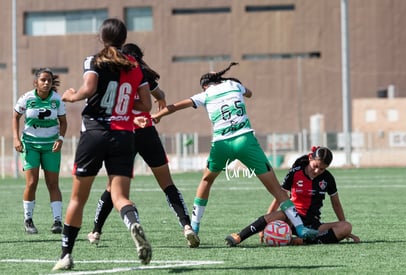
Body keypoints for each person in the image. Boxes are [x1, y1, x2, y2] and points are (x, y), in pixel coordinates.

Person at [151, 62, 319, 244]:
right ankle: (301, 228)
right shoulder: (234, 85)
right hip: (245, 141)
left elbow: (176, 106)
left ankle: (194, 227)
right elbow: (250, 93)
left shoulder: (205, 94)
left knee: (206, 181)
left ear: (205, 86)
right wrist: (233, 85)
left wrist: (157, 116)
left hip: (221, 144)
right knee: (276, 189)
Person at [52, 18, 152, 271]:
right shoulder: (135, 66)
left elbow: (88, 89)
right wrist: (124, 100)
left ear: (101, 37)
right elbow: (146, 105)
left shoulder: (94, 60)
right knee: (120, 196)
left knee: (78, 199)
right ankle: (133, 225)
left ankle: (66, 255)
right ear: (124, 37)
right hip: (123, 135)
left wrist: (70, 96)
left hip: (95, 133)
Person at [87, 43, 200, 248]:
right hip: (147, 132)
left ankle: (95, 231)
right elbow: (160, 95)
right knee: (167, 184)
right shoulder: (143, 74)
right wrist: (161, 105)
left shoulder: (116, 74)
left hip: (124, 133)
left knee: (113, 188)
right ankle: (187, 226)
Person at [225, 146, 360, 246]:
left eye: (322, 169)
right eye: (315, 166)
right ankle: (239, 236)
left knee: (346, 226)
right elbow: (280, 196)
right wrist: (264, 227)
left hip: (313, 225)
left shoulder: (328, 178)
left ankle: (303, 241)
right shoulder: (295, 172)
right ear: (310, 158)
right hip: (291, 217)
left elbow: (336, 203)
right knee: (280, 213)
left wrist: (343, 227)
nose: (318, 171)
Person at [12, 68, 67, 235]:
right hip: (30, 145)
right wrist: (16, 138)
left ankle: (57, 221)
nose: (46, 83)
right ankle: (28, 219)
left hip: (51, 146)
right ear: (35, 82)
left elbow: (63, 122)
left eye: (49, 80)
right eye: (43, 80)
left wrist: (60, 139)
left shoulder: (57, 100)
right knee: (31, 182)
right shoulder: (26, 98)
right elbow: (15, 116)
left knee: (53, 183)